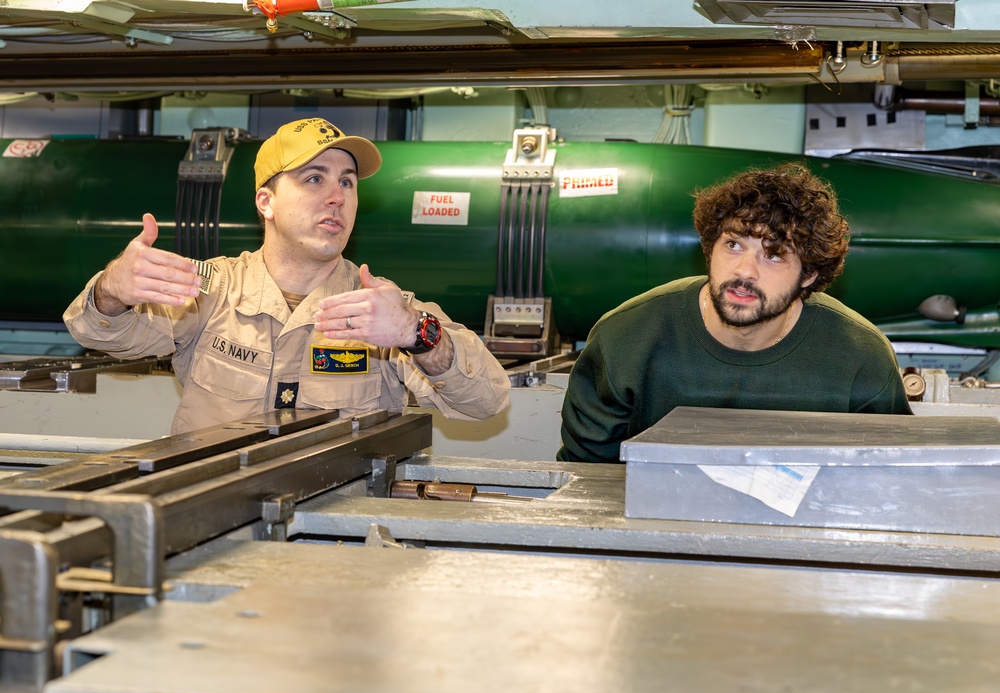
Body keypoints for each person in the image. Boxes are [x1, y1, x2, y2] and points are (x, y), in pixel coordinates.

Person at [64, 117, 510, 434]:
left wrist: (417, 333)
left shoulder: (382, 310)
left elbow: (486, 404)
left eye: (348, 182)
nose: (337, 196)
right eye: (315, 179)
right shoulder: (210, 290)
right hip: (210, 521)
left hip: (336, 534)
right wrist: (111, 289)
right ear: (266, 202)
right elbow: (96, 333)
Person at [557, 163, 912, 464]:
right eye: (733, 244)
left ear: (809, 274)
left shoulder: (860, 356)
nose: (745, 271)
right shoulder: (626, 337)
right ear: (709, 249)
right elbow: (585, 477)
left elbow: (891, 479)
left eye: (773, 254)